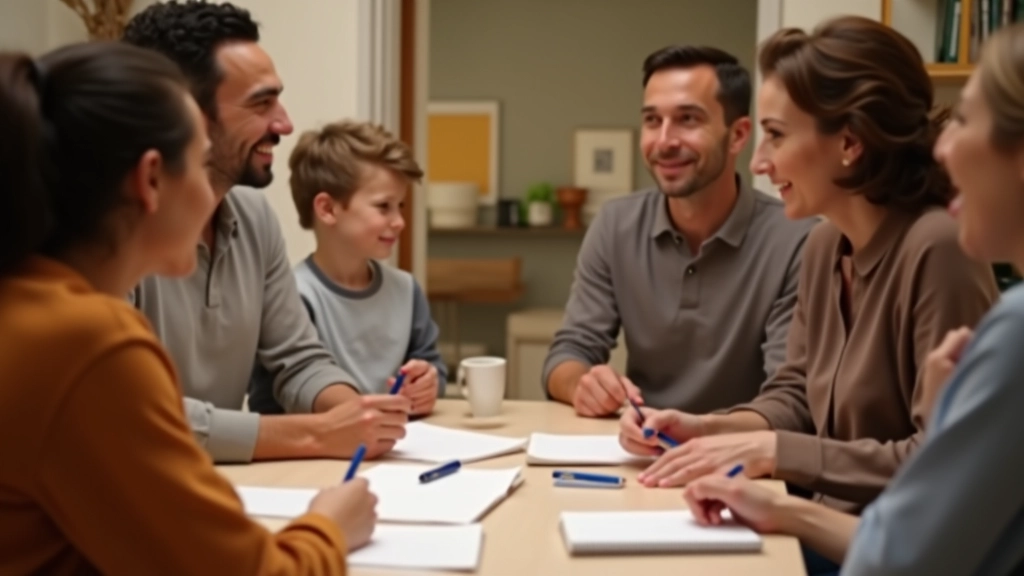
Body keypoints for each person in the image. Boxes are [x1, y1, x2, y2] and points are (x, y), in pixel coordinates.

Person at [619, 16, 999, 574]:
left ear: (850, 142)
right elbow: (796, 393)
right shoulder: (823, 245)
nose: (758, 162)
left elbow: (942, 459)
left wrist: (773, 452)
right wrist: (708, 428)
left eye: (776, 135)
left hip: (891, 553)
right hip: (819, 536)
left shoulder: (937, 248)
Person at [0, 41, 376, 575]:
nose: (213, 194)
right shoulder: (88, 343)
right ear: (151, 180)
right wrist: (329, 526)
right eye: (201, 164)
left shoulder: (28, 304)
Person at [122, 0, 409, 464]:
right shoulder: (105, 231)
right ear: (184, 114)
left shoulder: (255, 217)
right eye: (261, 103)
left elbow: (299, 359)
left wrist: (358, 416)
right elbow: (131, 410)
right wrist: (316, 435)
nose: (285, 124)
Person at [543, 45, 817, 418]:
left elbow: (789, 398)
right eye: (652, 120)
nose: (664, 141)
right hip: (638, 443)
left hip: (742, 448)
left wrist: (698, 435)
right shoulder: (614, 225)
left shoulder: (798, 240)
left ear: (738, 135)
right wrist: (583, 386)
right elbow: (569, 353)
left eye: (688, 119)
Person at [248, 120, 446, 417]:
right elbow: (268, 406)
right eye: (384, 206)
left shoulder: (407, 290)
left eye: (400, 206)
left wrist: (428, 385)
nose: (399, 221)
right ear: (327, 209)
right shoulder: (290, 297)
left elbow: (433, 368)